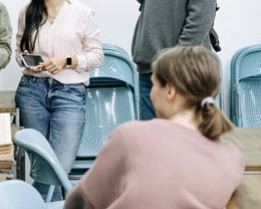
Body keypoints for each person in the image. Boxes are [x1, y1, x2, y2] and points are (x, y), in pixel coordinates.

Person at [65, 45, 244, 209]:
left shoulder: (131, 136)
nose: (151, 93)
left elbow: (81, 201)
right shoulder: (232, 157)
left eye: (154, 84)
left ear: (169, 91)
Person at [15, 0, 103, 201]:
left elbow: (97, 56)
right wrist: (28, 62)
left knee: (57, 168)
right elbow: (18, 54)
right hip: (32, 92)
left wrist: (67, 60)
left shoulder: (82, 13)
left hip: (69, 94)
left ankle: (37, 204)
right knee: (42, 168)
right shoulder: (27, 13)